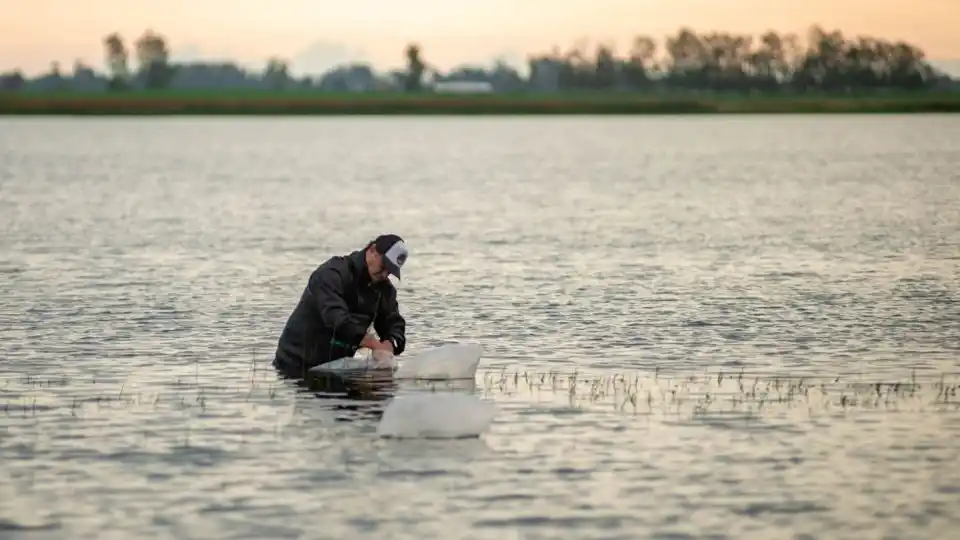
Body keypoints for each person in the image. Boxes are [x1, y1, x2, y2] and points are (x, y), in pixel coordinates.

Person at [273, 234, 408, 379]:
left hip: (336, 367)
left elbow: (394, 324)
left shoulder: (384, 290)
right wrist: (372, 343)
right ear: (372, 250)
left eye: (390, 270)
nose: (384, 274)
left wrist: (389, 345)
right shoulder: (331, 274)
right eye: (383, 266)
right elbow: (336, 319)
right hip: (295, 364)